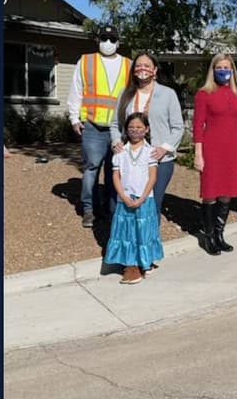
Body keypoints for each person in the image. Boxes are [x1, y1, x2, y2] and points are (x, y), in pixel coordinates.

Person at [67, 25, 133, 228]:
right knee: (91, 169)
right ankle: (89, 209)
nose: (108, 42)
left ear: (118, 42)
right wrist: (74, 118)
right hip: (93, 126)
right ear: (98, 40)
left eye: (112, 39)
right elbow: (76, 90)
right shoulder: (86, 61)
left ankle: (110, 208)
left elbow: (133, 96)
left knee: (115, 170)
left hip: (119, 129)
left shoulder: (129, 65)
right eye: (104, 38)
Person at [110, 52, 185, 221]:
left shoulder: (168, 94)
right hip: (130, 159)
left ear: (155, 70)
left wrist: (165, 148)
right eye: (138, 66)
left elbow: (178, 127)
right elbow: (115, 124)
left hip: (158, 160)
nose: (142, 69)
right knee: (126, 203)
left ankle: (149, 244)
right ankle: (129, 242)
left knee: (152, 204)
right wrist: (116, 141)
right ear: (133, 70)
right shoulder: (125, 93)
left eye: (147, 66)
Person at [192, 54, 237, 256]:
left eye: (227, 67)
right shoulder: (204, 93)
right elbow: (198, 125)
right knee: (210, 193)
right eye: (219, 67)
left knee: (227, 193)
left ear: (232, 70)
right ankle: (208, 237)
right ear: (213, 70)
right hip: (211, 149)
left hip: (232, 149)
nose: (223, 70)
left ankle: (219, 234)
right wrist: (198, 154)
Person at [104, 112, 165, 285]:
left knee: (143, 231)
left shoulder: (150, 152)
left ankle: (144, 261)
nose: (135, 130)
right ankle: (129, 264)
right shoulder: (120, 152)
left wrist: (142, 198)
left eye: (139, 127)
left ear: (146, 129)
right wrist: (123, 196)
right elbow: (116, 176)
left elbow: (152, 177)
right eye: (131, 127)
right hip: (125, 199)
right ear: (126, 130)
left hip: (144, 199)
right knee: (127, 232)